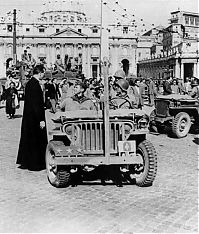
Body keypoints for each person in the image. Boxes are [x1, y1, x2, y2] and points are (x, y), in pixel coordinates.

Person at [16, 64, 48, 171]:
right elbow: (36, 104)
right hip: (35, 118)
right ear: (40, 72)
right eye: (43, 72)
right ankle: (35, 163)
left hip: (29, 117)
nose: (44, 74)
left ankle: (27, 161)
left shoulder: (30, 83)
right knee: (35, 140)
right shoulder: (35, 85)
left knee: (29, 139)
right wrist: (41, 119)